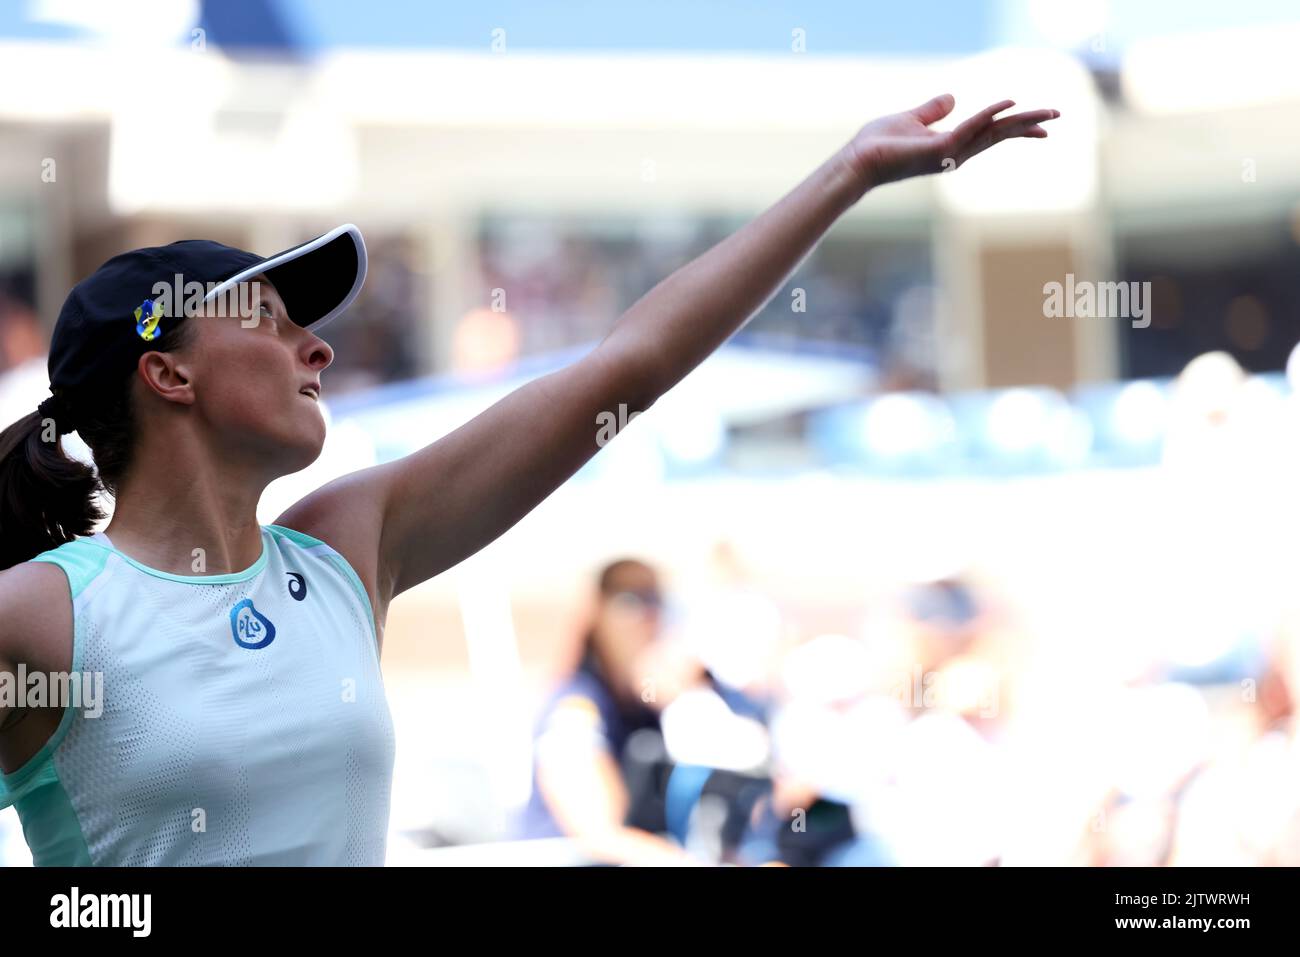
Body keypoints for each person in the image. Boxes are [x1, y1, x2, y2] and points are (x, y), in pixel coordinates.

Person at [0, 95, 1059, 865]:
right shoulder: (43, 614)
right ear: (166, 372)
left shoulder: (343, 550)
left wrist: (849, 175)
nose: (315, 350)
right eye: (269, 322)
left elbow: (625, 369)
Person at [517, 559, 700, 864]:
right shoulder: (575, 706)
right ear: (598, 610)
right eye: (631, 599)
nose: (647, 613)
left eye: (655, 599)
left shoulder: (644, 707)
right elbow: (598, 833)